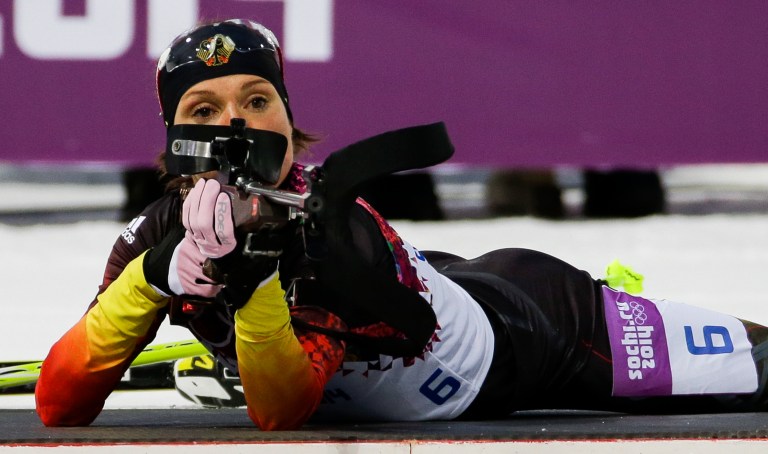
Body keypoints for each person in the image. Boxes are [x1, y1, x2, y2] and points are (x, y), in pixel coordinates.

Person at [35, 19, 768, 431]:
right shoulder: (155, 232)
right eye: (205, 110)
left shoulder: (333, 236)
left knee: (756, 370)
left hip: (538, 329)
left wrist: (253, 283)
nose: (237, 124)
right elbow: (59, 406)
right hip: (434, 282)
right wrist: (153, 278)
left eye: (257, 100)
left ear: (288, 118)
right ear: (176, 139)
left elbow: (281, 414)